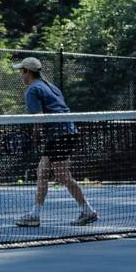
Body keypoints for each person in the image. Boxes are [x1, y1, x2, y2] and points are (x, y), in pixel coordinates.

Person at [12, 57, 98, 228]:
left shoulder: (31, 90)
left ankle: (86, 211)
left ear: (27, 72)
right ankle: (36, 214)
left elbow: (39, 117)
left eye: (21, 71)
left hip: (59, 134)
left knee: (61, 175)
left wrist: (36, 135)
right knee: (44, 171)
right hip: (67, 132)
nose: (20, 74)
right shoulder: (52, 87)